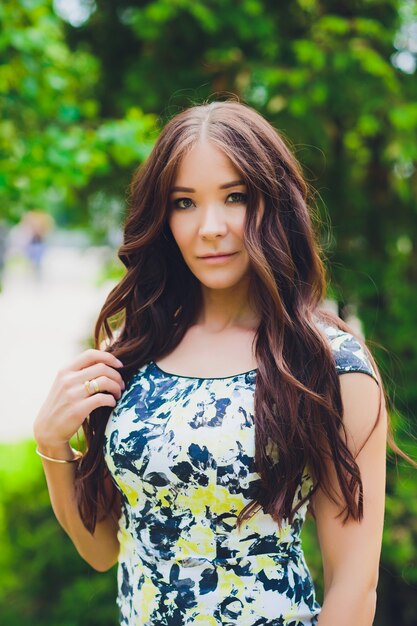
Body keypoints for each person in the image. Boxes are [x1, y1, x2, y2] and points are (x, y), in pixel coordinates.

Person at [33, 99, 389, 626]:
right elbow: (102, 551)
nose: (211, 227)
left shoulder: (329, 366)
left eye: (235, 197)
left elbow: (354, 589)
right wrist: (51, 444)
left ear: (275, 205)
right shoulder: (134, 352)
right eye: (184, 203)